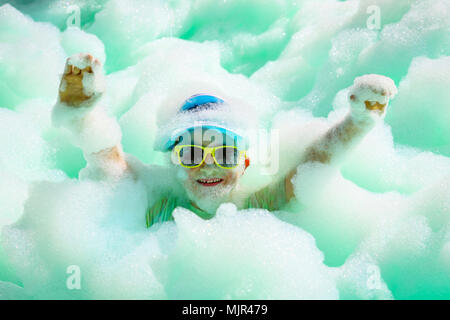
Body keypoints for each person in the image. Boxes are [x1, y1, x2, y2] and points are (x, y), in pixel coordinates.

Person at [52, 53, 398, 227]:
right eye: (190, 153)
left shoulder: (255, 206)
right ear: (173, 162)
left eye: (226, 153)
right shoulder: (159, 208)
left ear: (245, 162)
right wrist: (84, 115)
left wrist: (358, 123)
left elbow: (313, 165)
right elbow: (111, 165)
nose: (208, 165)